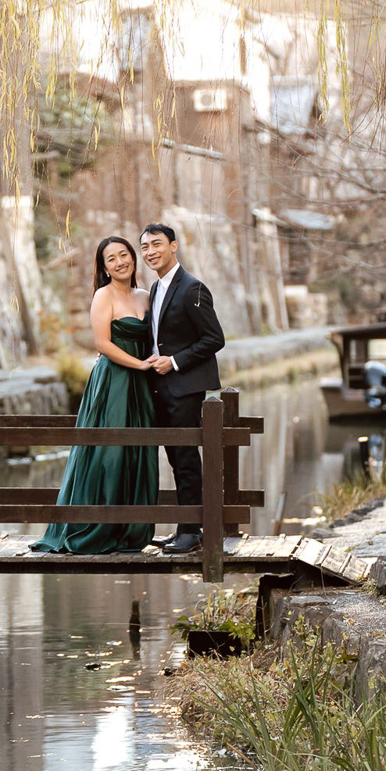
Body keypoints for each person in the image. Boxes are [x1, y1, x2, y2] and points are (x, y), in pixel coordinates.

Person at [32, 236, 158, 554]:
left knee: (139, 452)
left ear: (133, 257)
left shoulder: (146, 296)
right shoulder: (103, 296)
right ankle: (96, 527)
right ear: (103, 267)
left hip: (141, 386)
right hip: (114, 380)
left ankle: (132, 530)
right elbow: (102, 344)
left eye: (124, 254)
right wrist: (140, 365)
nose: (119, 262)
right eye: (110, 259)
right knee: (109, 453)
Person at [139, 223, 225, 555]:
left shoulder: (192, 288)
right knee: (175, 458)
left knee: (187, 457)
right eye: (145, 247)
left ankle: (193, 531)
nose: (150, 252)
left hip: (186, 386)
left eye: (156, 244)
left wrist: (174, 361)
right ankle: (185, 528)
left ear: (174, 246)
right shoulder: (156, 289)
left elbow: (214, 339)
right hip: (161, 387)